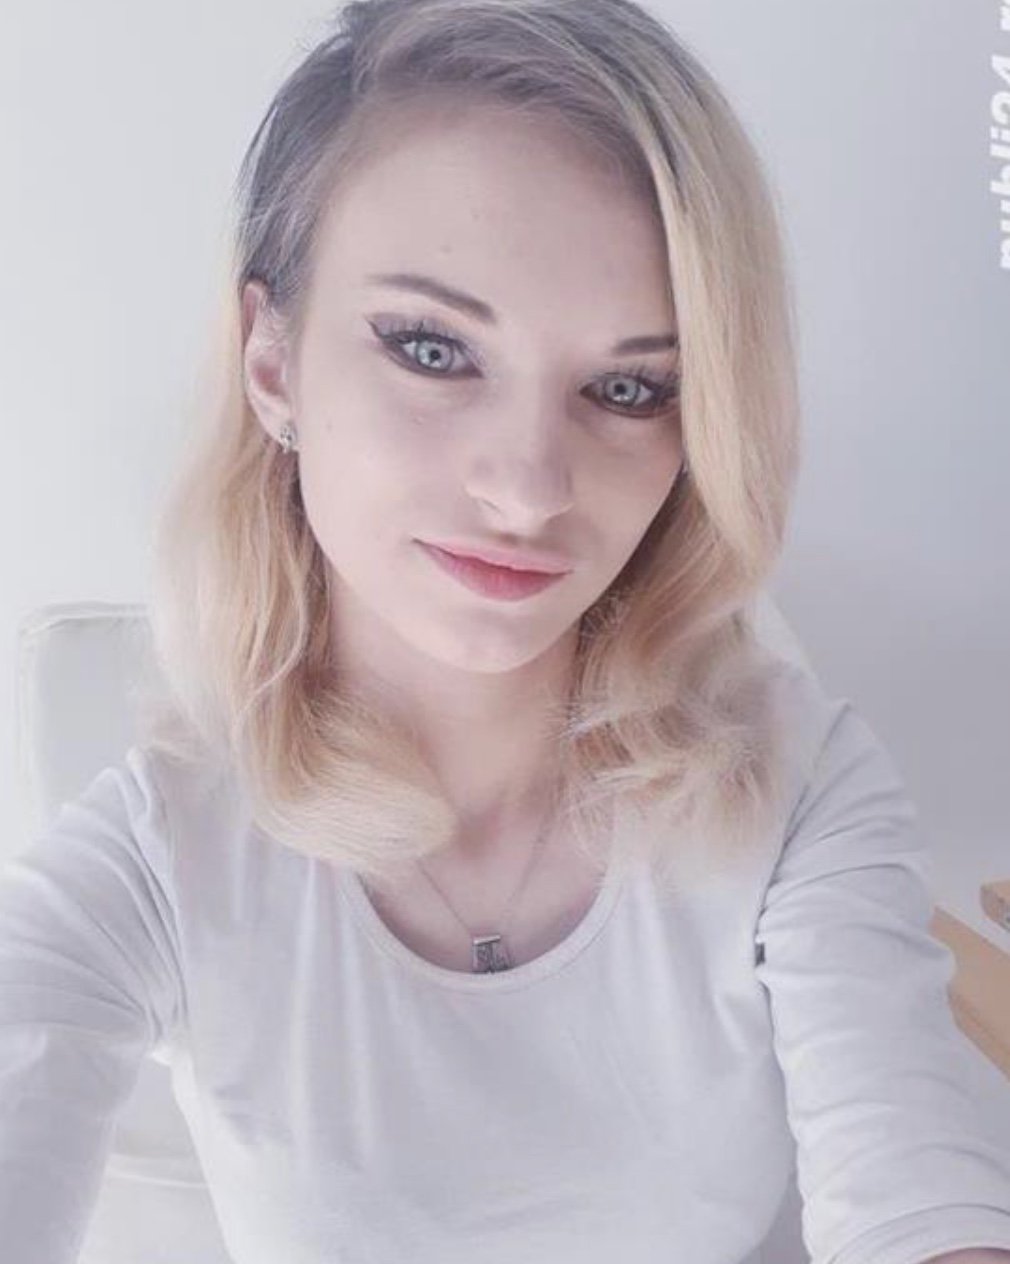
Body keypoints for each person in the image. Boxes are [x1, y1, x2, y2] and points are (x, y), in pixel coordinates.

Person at [2, 1, 1010, 1261]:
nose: (529, 488)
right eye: (432, 349)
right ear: (271, 363)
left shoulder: (794, 785)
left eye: (628, 388)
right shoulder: (163, 857)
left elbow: (913, 1190)